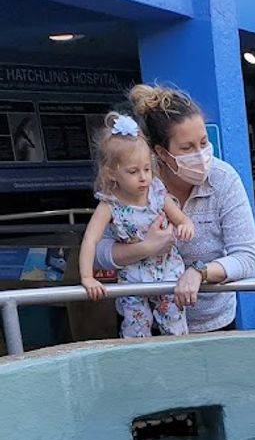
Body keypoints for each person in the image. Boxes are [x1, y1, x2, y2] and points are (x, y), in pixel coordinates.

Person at [94, 84, 255, 333]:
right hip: (144, 325)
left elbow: (246, 258)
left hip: (211, 325)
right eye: (187, 148)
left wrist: (200, 273)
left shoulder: (224, 179)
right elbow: (100, 253)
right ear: (161, 153)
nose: (201, 154)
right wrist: (146, 248)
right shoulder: (133, 182)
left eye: (203, 142)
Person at [79, 113, 194, 338]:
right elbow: (90, 240)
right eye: (133, 172)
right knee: (135, 328)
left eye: (147, 169)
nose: (143, 178)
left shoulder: (158, 194)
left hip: (167, 274)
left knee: (175, 327)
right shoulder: (109, 205)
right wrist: (87, 277)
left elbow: (183, 220)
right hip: (132, 278)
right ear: (112, 173)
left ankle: (180, 366)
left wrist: (185, 227)